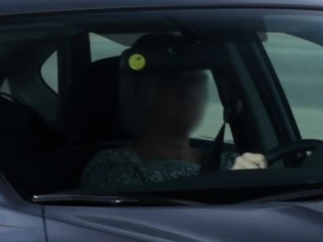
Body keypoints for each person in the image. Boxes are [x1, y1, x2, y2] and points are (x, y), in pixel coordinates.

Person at [81, 38, 265, 192]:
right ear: (139, 95)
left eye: (194, 81)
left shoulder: (229, 163)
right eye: (168, 83)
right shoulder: (112, 169)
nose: (186, 92)